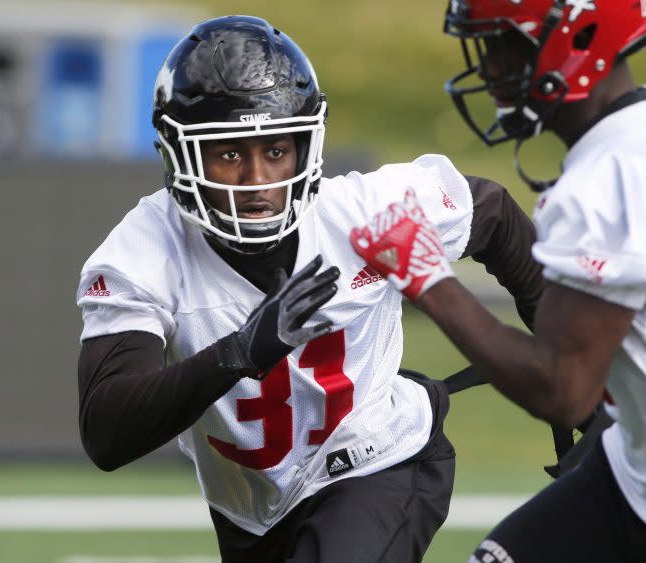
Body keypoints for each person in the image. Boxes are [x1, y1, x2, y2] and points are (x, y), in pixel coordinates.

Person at [75, 15, 545, 562]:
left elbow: (491, 214)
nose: (258, 182)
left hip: (379, 460)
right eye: (230, 155)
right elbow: (107, 431)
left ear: (305, 146)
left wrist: (574, 376)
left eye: (275, 151)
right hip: (250, 513)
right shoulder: (146, 251)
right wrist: (240, 353)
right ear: (181, 156)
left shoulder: (362, 210)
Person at [350, 0, 646, 561]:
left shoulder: (604, 182)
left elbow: (562, 388)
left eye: (502, 46)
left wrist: (426, 276)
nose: (487, 71)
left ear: (577, 41)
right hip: (641, 473)